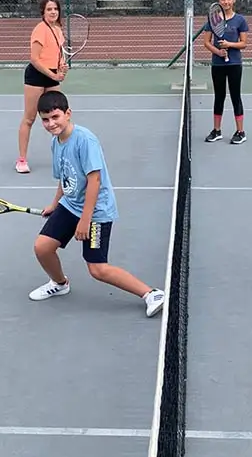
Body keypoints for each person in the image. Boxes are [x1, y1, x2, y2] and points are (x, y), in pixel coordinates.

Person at [28, 90, 166, 318]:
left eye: (55, 117)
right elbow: (65, 177)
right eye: (45, 119)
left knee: (97, 269)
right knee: (42, 247)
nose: (51, 123)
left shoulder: (85, 140)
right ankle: (60, 283)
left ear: (68, 113)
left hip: (96, 211)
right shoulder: (56, 143)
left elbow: (95, 180)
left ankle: (151, 294)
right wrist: (55, 204)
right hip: (70, 204)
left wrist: (85, 220)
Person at [16, 0, 68, 175]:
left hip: (52, 76)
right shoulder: (40, 30)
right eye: (49, 9)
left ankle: (63, 158)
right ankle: (22, 160)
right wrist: (53, 74)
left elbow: (57, 54)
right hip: (36, 76)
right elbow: (35, 59)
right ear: (43, 13)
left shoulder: (58, 29)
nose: (53, 12)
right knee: (29, 118)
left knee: (59, 117)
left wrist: (61, 67)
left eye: (55, 9)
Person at [202, 0, 249, 145]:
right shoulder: (214, 20)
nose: (226, 2)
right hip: (218, 64)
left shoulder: (240, 20)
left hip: (234, 64)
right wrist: (218, 52)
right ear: (219, 1)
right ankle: (217, 130)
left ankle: (240, 132)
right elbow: (206, 42)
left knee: (236, 97)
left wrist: (229, 44)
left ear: (234, 0)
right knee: (219, 97)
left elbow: (243, 44)